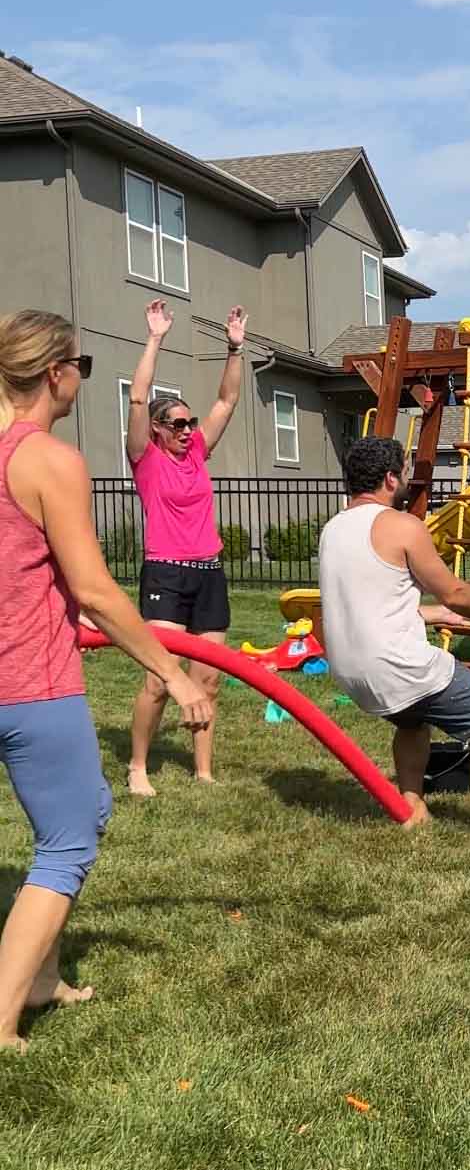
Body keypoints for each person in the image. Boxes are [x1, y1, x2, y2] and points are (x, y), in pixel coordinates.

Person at [0, 310, 211, 1051]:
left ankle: (42, 974)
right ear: (56, 372)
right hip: (30, 681)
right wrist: (172, 674)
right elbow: (93, 589)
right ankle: (3, 1016)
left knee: (79, 812)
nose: (80, 380)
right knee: (67, 839)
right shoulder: (50, 460)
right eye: (81, 367)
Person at [318, 436, 470, 843]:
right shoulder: (403, 526)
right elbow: (454, 593)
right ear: (391, 479)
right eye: (406, 470)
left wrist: (427, 615)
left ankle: (411, 802)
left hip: (350, 671)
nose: (410, 476)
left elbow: (366, 600)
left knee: (412, 720)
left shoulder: (333, 528)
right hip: (395, 666)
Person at [125, 300, 247, 795]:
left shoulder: (197, 452)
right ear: (157, 429)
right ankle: (137, 767)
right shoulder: (146, 459)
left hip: (208, 575)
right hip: (166, 575)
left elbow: (227, 402)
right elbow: (137, 399)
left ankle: (203, 771)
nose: (187, 430)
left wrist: (234, 348)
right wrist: (155, 338)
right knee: (160, 678)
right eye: (177, 424)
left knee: (209, 681)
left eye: (189, 423)